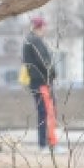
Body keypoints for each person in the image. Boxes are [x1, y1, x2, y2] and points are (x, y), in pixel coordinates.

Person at [22, 15, 60, 151]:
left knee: (44, 112)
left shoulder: (28, 41)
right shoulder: (35, 41)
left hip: (36, 82)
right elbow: (44, 61)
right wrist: (53, 73)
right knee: (47, 112)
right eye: (44, 26)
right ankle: (47, 144)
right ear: (40, 27)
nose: (46, 29)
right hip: (42, 83)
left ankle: (47, 143)